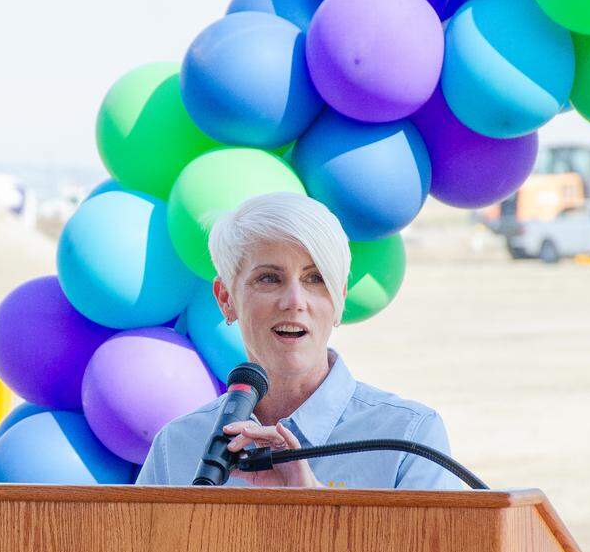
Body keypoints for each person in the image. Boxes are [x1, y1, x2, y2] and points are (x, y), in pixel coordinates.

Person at [136, 192, 461, 490]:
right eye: (269, 278)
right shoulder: (176, 446)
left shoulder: (410, 438)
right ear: (226, 299)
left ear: (339, 300)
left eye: (315, 278)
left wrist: (313, 503)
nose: (294, 300)